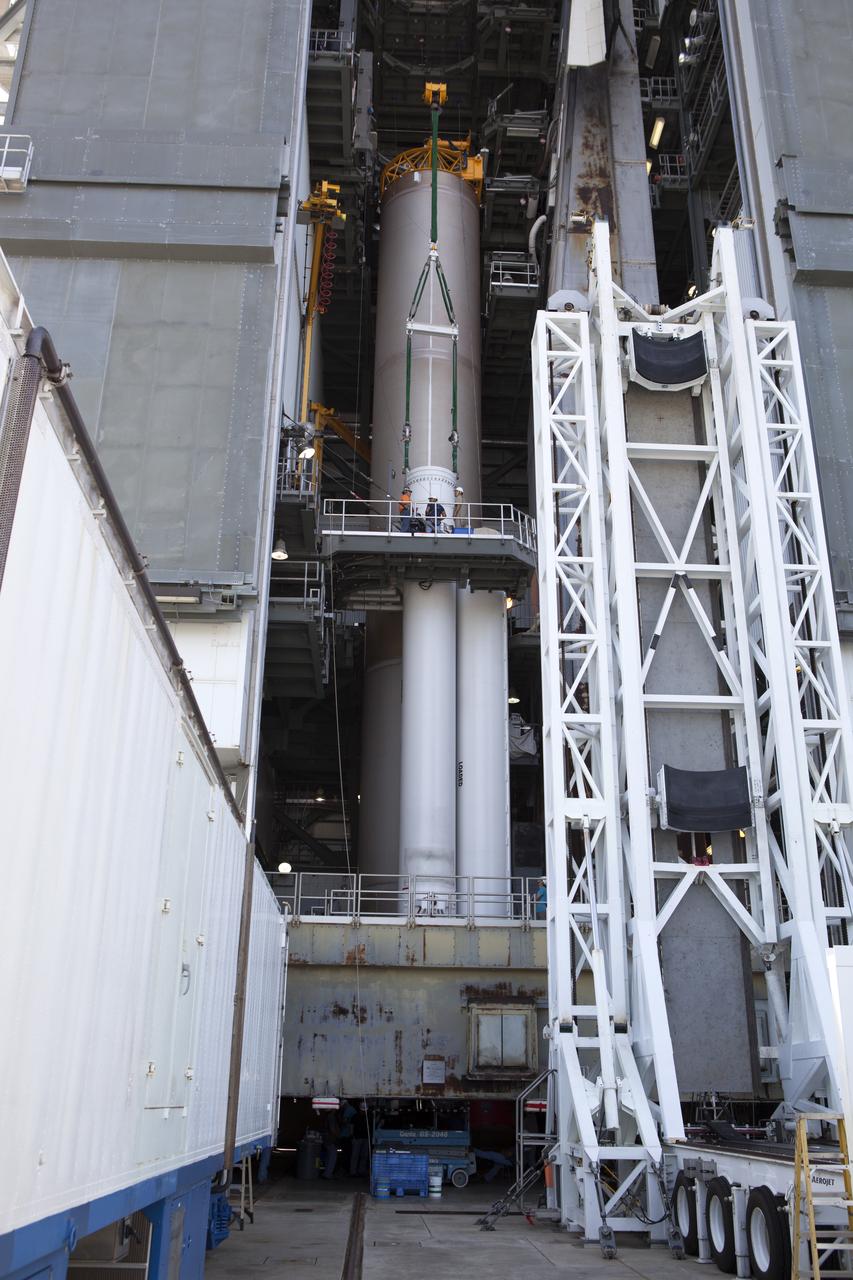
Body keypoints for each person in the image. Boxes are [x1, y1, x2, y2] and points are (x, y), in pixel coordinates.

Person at [349, 1101, 370, 1177]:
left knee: (364, 1155)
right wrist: (352, 1136)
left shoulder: (368, 1117)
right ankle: (353, 1172)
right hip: (357, 1138)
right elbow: (351, 1127)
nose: (364, 1112)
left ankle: (361, 1170)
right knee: (355, 1155)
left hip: (365, 1138)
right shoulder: (355, 1117)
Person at [321, 1105, 342, 1179]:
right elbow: (333, 1130)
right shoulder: (331, 1117)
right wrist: (337, 1136)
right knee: (332, 1156)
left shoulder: (327, 1116)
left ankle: (327, 1173)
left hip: (327, 1139)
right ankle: (327, 1174)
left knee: (329, 1156)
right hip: (330, 1139)